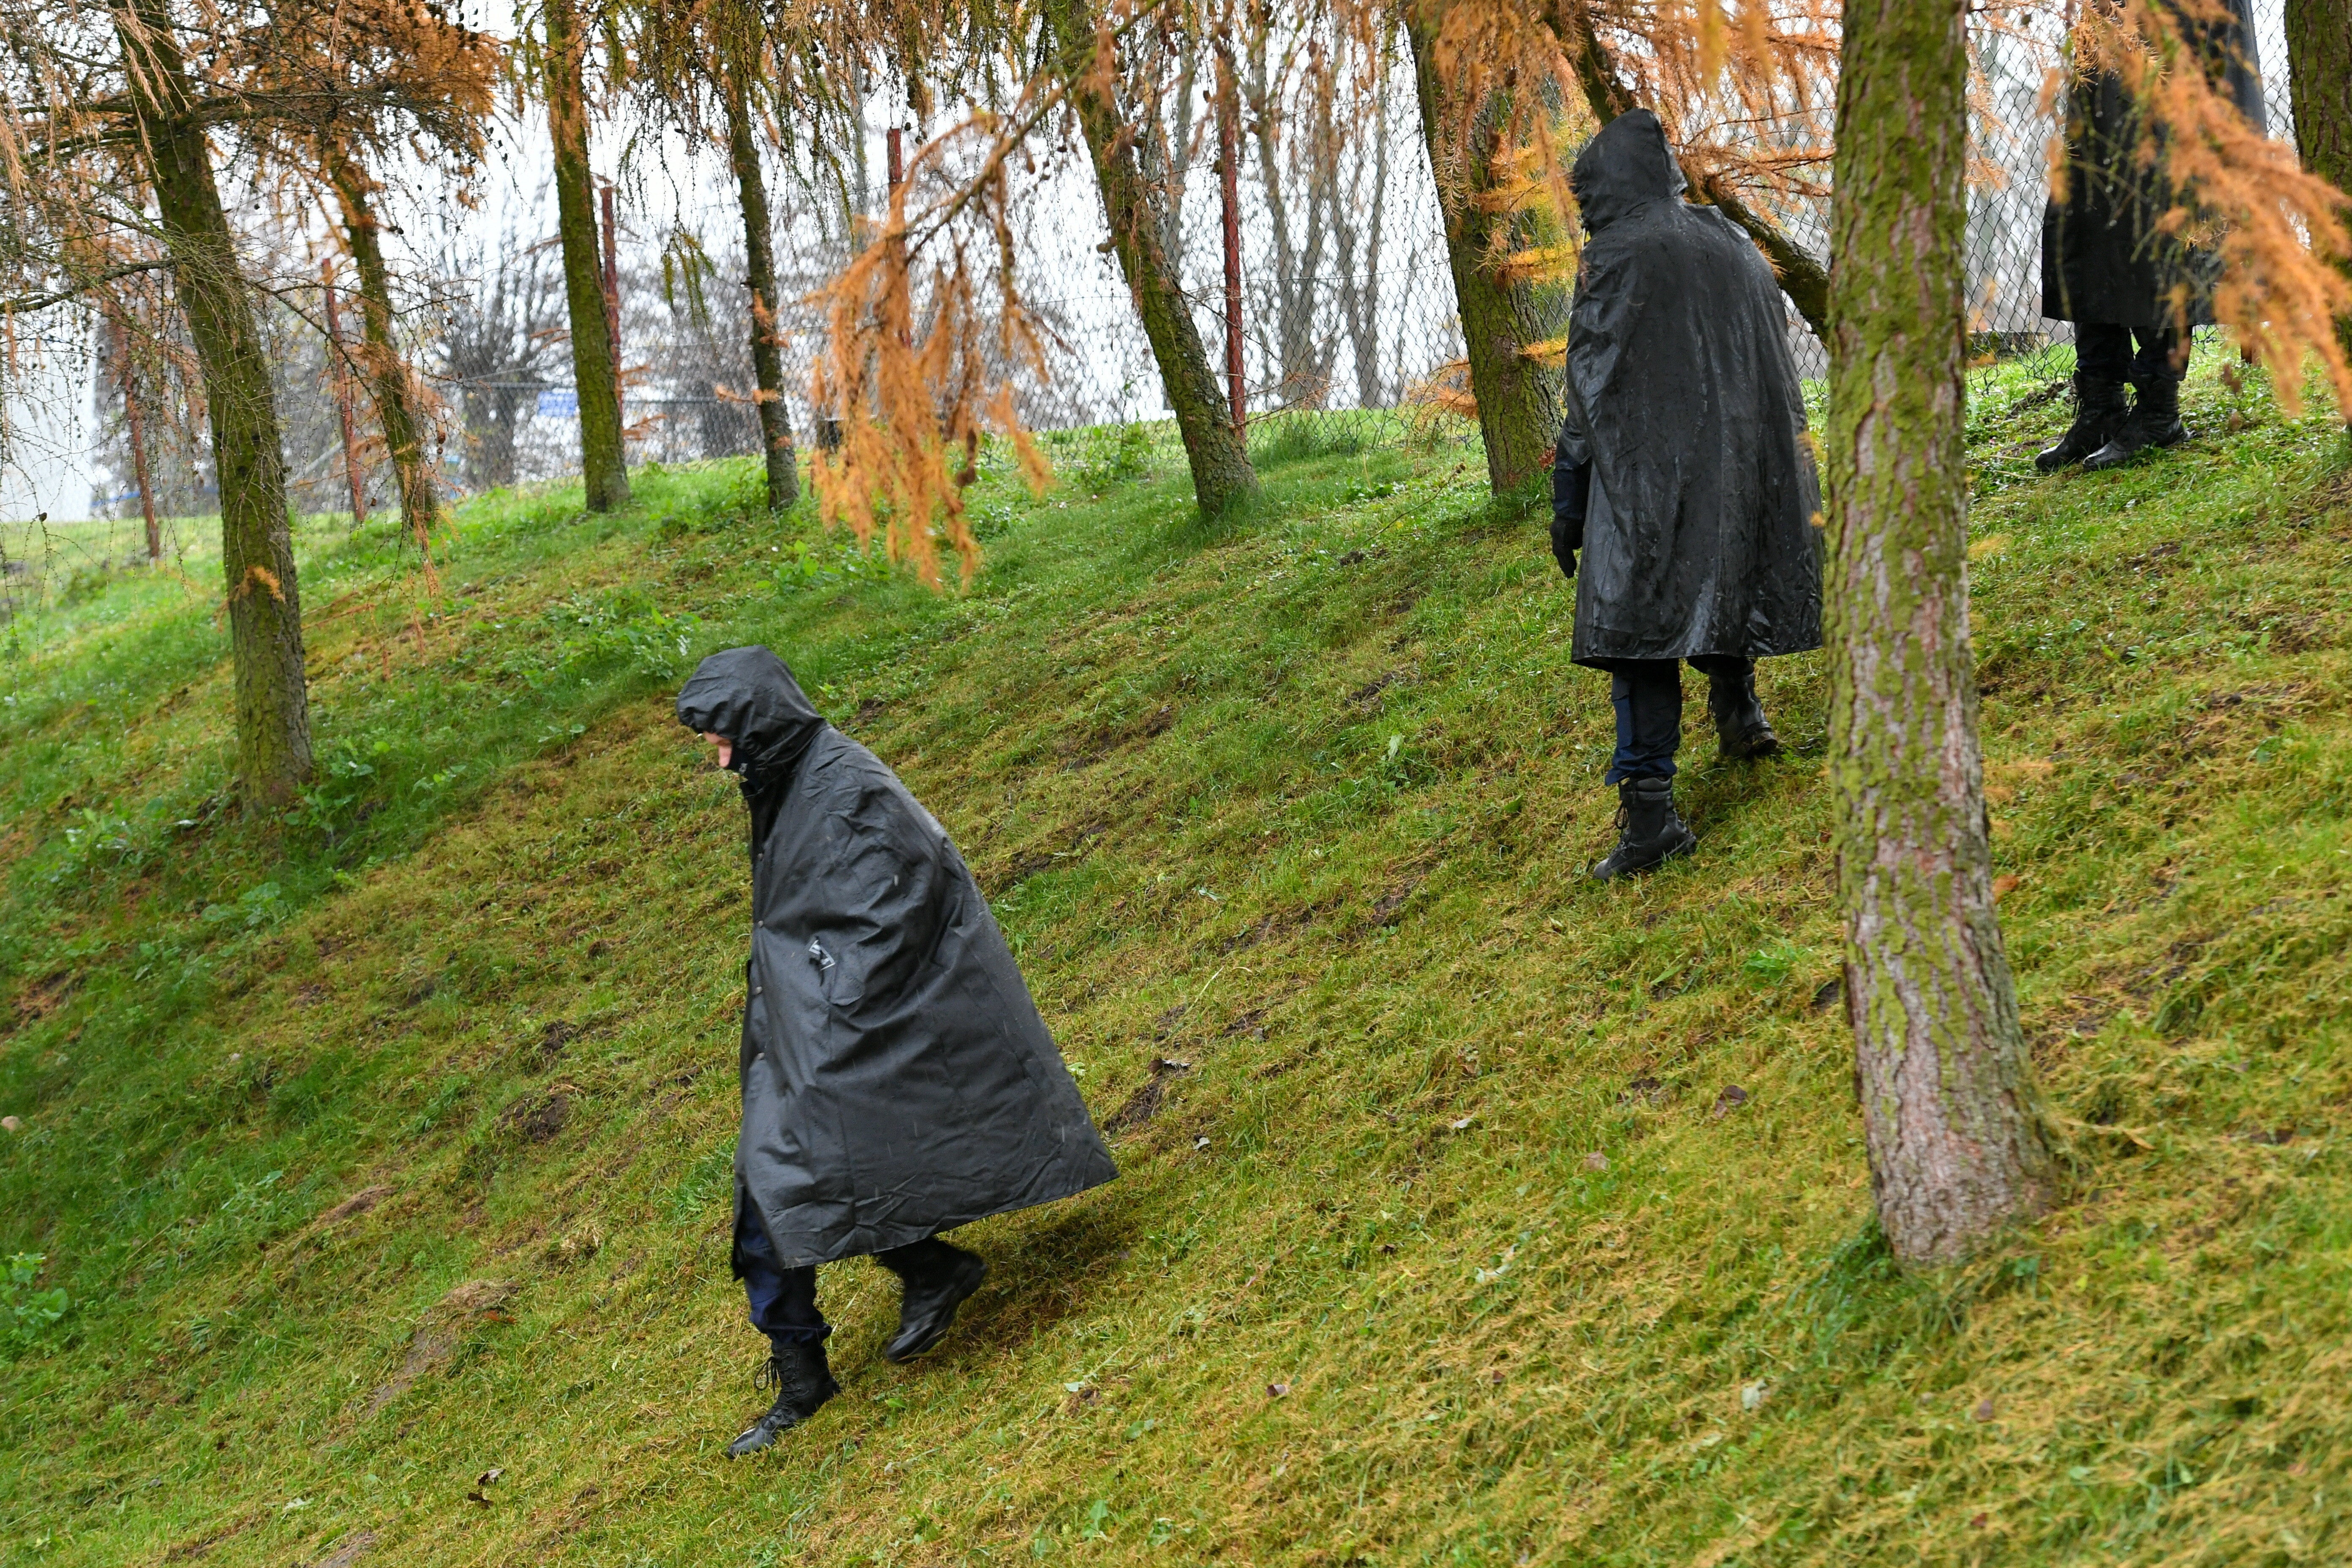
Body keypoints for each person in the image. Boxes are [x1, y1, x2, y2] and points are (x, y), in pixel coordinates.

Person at [676, 646, 1117, 1458]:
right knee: (771, 1183)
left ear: (754, 725)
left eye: (718, 735)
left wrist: (830, 994)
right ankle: (823, 1353)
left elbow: (907, 893)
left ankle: (907, 1285)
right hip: (802, 1022)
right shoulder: (781, 782)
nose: (714, 753)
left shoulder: (843, 785)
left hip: (853, 1015)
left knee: (804, 1168)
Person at [1549, 109, 1824, 881]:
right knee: (1723, 564)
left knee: (1637, 620)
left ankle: (1649, 817)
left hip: (1648, 475)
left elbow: (1589, 391)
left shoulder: (1616, 255)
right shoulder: (1729, 237)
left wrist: (1570, 500)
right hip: (1747, 460)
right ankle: (1741, 714)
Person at [2037, 0, 2265, 472]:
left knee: (2157, 244)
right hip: (2106, 83)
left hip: (2174, 86)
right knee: (2088, 228)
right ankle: (2101, 409)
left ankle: (2160, 413)